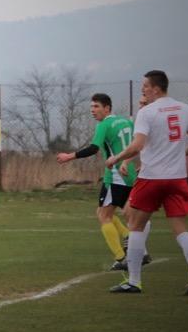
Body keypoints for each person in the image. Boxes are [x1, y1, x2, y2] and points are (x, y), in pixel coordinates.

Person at [106, 70, 188, 295]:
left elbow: (137, 145)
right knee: (180, 229)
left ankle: (134, 282)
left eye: (145, 85)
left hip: (151, 178)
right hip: (176, 179)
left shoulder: (147, 112)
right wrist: (179, 156)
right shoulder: (184, 108)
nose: (143, 89)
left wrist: (116, 158)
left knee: (135, 226)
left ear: (156, 88)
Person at [56, 93, 150, 270]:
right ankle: (132, 241)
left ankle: (121, 257)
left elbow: (93, 148)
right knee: (112, 213)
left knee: (103, 215)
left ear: (107, 108)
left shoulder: (104, 125)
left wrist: (69, 156)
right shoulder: (126, 122)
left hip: (115, 176)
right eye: (91, 107)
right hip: (130, 174)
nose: (93, 110)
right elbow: (138, 145)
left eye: (96, 106)